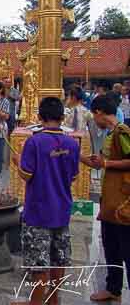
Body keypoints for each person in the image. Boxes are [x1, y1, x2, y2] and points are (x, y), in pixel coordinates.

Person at [11, 97, 80, 305]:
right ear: (62, 117)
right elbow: (74, 176)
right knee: (58, 259)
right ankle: (53, 300)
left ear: (40, 117)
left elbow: (27, 174)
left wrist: (16, 161)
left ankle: (35, 303)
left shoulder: (34, 142)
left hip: (38, 210)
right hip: (62, 209)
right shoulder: (72, 143)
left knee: (38, 264)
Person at [80, 95, 130, 303]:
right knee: (111, 247)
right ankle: (113, 288)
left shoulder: (122, 132)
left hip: (124, 202)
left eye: (94, 115)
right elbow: (102, 163)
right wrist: (79, 157)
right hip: (110, 202)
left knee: (127, 249)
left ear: (99, 112)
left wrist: (107, 164)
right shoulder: (110, 134)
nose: (94, 119)